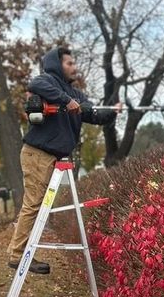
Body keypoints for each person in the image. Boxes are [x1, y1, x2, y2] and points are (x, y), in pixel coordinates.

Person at [7, 46, 122, 275]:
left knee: (39, 205)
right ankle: (17, 255)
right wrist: (64, 100)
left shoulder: (76, 94)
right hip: (37, 154)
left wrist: (112, 111)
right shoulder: (47, 81)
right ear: (57, 64)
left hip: (53, 156)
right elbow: (35, 85)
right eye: (69, 63)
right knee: (34, 203)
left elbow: (92, 113)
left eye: (74, 63)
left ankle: (21, 252)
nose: (74, 67)